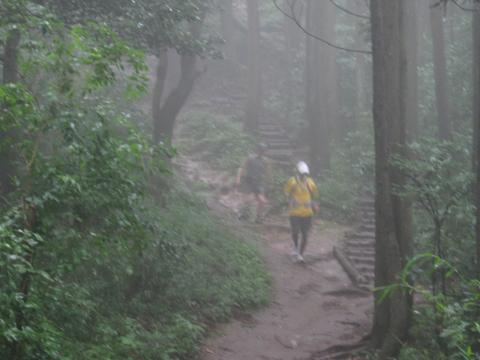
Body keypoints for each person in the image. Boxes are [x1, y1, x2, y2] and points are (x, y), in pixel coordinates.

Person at [283, 161, 319, 263]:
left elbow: (315, 195)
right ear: (298, 173)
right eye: (302, 174)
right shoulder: (292, 182)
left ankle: (300, 254)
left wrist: (315, 205)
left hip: (307, 213)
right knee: (295, 231)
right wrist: (289, 200)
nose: (304, 176)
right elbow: (286, 192)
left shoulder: (310, 182)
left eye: (306, 174)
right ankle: (295, 246)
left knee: (305, 234)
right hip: (294, 212)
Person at [235, 143, 270, 223]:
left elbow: (267, 173)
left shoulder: (265, 161)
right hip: (249, 181)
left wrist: (268, 183)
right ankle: (242, 215)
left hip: (258, 183)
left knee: (262, 201)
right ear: (257, 150)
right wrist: (238, 179)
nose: (262, 152)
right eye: (261, 150)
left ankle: (258, 218)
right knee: (248, 200)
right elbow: (241, 168)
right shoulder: (250, 158)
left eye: (263, 151)